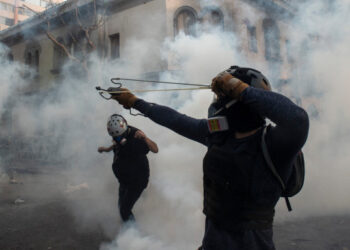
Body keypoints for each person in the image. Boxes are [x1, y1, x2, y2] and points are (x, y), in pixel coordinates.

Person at [111, 65, 309, 249]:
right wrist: (136, 103)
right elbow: (177, 120)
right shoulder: (218, 133)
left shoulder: (276, 145)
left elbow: (298, 119)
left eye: (222, 95)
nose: (217, 102)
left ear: (240, 99)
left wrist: (238, 87)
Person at [98, 114, 158, 222]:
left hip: (136, 181)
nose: (117, 139)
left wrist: (145, 138)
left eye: (119, 137)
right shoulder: (119, 133)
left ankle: (134, 235)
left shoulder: (137, 137)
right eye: (115, 137)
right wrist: (106, 149)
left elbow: (155, 149)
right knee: (121, 206)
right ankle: (128, 227)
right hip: (124, 179)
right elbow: (118, 145)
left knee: (124, 210)